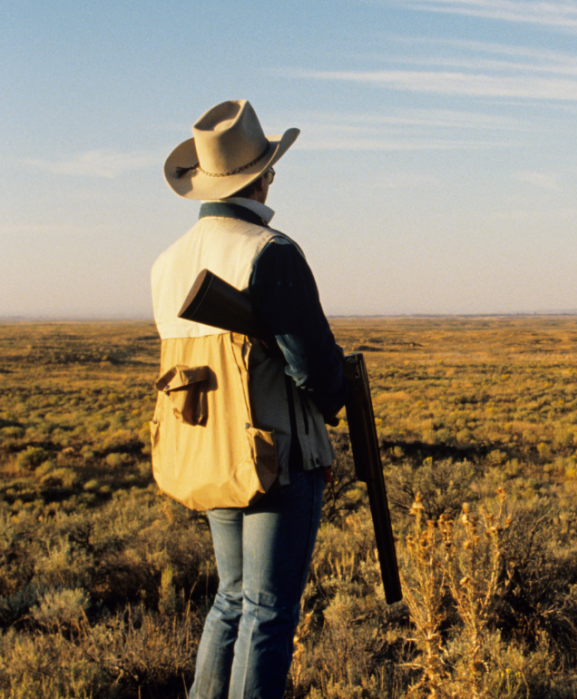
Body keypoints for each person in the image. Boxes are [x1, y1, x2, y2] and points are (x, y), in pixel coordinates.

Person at [150, 99, 347, 698]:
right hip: (274, 456)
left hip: (210, 453)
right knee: (268, 610)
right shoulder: (269, 250)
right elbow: (311, 368)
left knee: (231, 600)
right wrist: (338, 391)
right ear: (261, 175)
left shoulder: (167, 261)